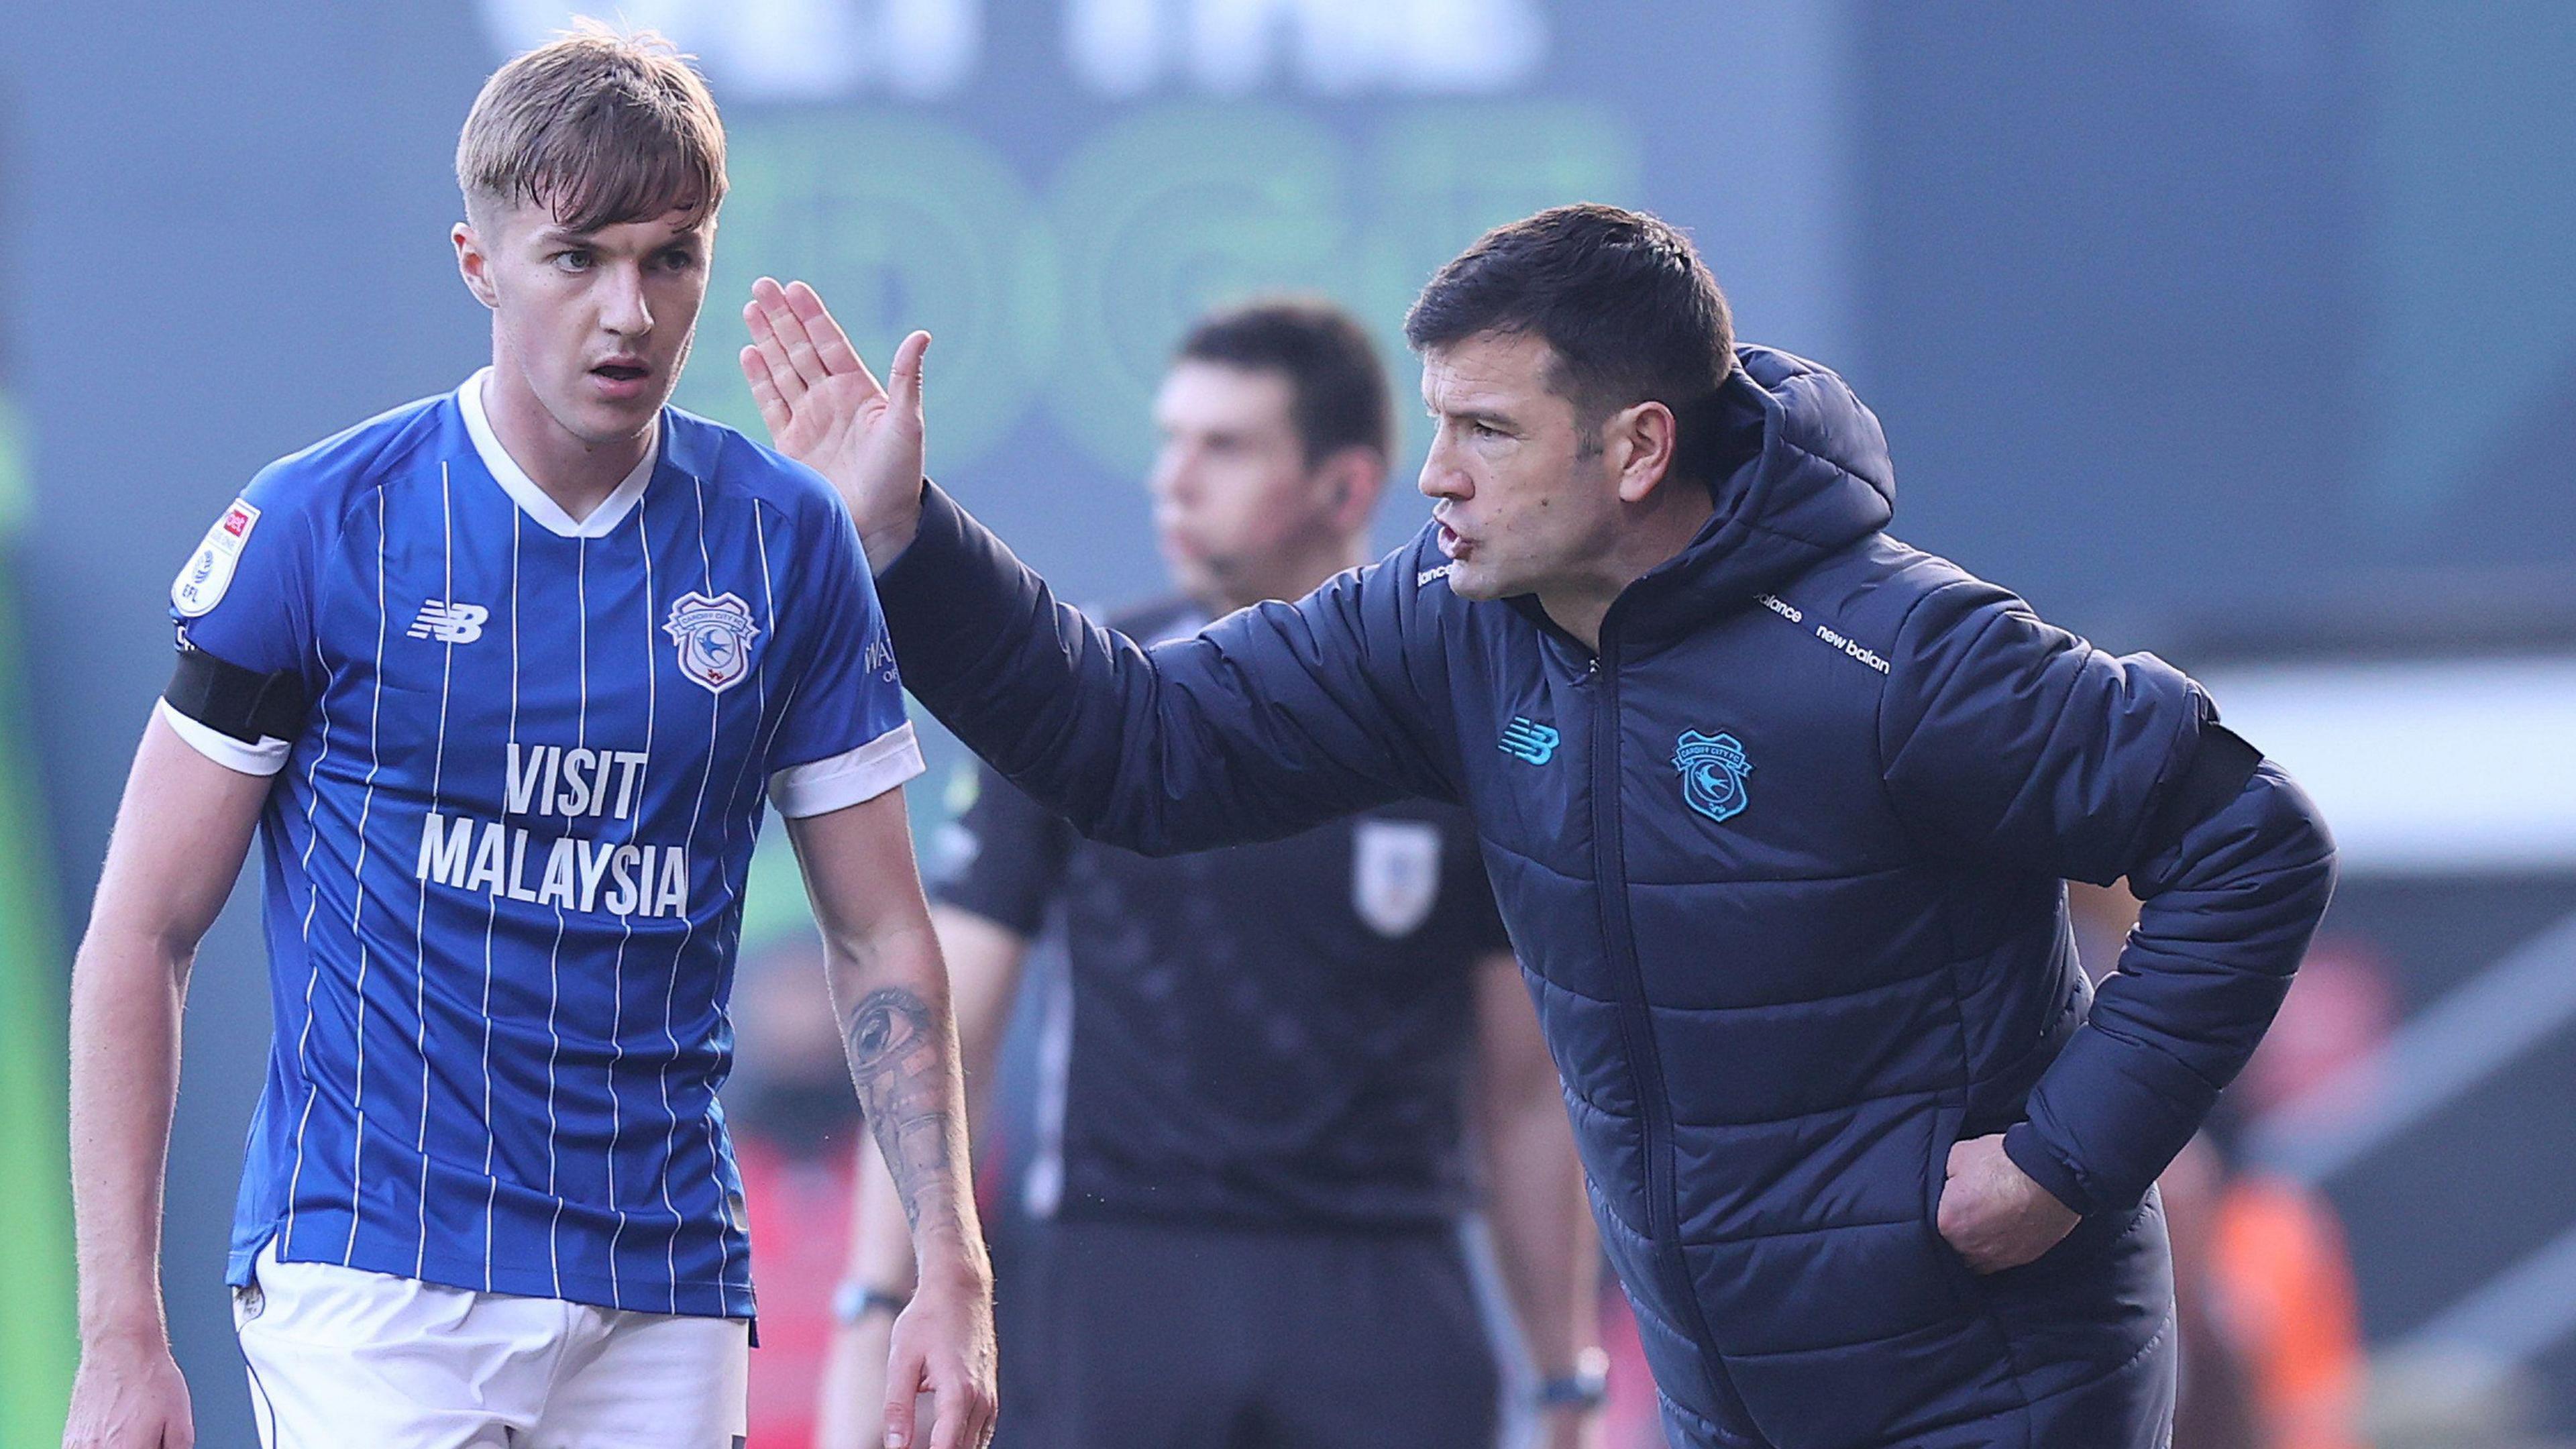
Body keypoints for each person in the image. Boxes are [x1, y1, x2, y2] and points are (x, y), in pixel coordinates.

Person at [740, 201, 2340, 1449]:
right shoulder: (1446, 620)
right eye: (1437, 424)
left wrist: (2061, 1161)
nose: (1436, 478)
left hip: (1987, 1381)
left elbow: (2255, 841)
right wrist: (906, 542)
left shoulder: (1900, 653)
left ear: (1637, 447)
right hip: (1732, 1394)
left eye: (1489, 433)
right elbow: (1140, 747)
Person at [61, 30, 994, 1449]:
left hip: (664, 1282)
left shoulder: (785, 540)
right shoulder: (322, 525)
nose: (630, 312)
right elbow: (144, 928)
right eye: (578, 258)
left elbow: (878, 937)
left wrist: (950, 1267)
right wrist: (120, 1333)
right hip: (374, 1274)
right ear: (479, 263)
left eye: (671, 259)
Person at [812, 301, 1605, 1449]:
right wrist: (875, 1307)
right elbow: (949, 1029)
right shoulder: (1079, 702)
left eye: (1224, 447)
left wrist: (1564, 1379)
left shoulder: (1464, 720)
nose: (1173, 481)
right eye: (1170, 440)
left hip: (1384, 1295)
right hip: (1122, 1281)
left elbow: (1524, 1095)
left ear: (1345, 486)